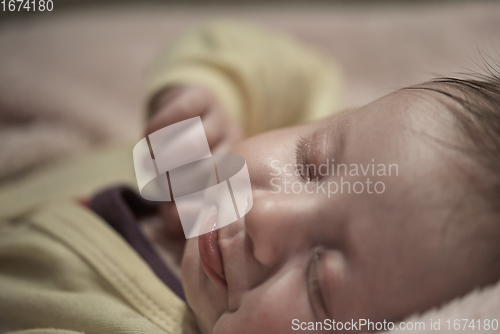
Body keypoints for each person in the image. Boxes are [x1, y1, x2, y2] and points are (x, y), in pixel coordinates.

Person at [0, 21, 499, 334]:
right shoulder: (208, 170)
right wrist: (204, 94)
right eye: (311, 163)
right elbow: (279, 65)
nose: (263, 211)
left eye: (318, 284)